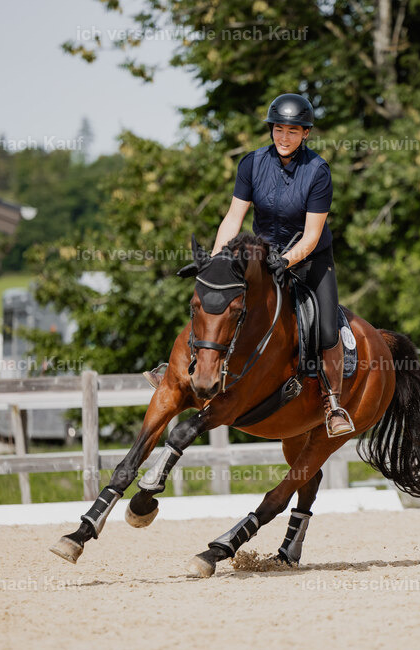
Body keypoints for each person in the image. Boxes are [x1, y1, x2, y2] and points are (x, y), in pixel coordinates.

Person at [150, 93, 353, 438]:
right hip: (260, 258)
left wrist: (286, 260)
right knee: (214, 300)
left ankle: (332, 402)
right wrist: (217, 260)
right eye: (278, 129)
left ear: (305, 133)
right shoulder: (252, 163)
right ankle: (180, 369)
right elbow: (234, 217)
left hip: (309, 259)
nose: (284, 137)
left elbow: (312, 234)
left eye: (292, 131)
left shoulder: (318, 171)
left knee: (325, 327)